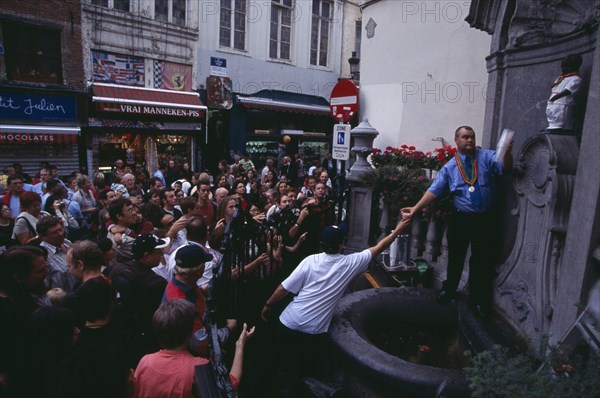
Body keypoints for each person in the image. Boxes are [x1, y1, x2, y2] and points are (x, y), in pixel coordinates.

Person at [261, 219, 411, 377]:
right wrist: (398, 230)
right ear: (342, 244)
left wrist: (268, 304)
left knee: (283, 369)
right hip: (313, 332)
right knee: (304, 375)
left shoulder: (310, 261)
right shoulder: (350, 263)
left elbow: (283, 289)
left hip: (288, 322)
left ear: (322, 244)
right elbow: (380, 247)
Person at [402, 125, 513, 317]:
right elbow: (433, 191)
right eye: (465, 137)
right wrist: (415, 208)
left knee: (481, 261)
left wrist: (507, 154)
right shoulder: (451, 167)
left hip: (484, 220)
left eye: (472, 137)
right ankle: (449, 290)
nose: (469, 140)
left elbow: (505, 169)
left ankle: (478, 300)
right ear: (456, 140)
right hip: (461, 219)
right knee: (456, 258)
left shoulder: (486, 157)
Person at [134, 299, 255, 397]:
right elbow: (231, 386)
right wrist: (240, 345)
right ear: (189, 334)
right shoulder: (199, 367)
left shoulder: (145, 362)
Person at [546, 54, 583, 132]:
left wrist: (556, 97)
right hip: (553, 103)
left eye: (566, 67)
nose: (564, 69)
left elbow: (568, 90)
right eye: (563, 67)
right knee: (552, 120)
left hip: (562, 104)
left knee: (560, 122)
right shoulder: (561, 78)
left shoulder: (576, 79)